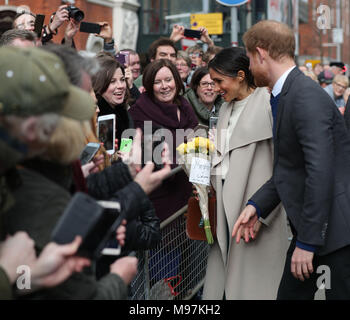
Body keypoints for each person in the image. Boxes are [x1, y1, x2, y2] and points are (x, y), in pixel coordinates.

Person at [232, 20, 350, 300]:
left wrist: (307, 243)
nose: (248, 67)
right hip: (319, 231)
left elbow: (319, 172)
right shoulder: (289, 93)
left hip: (331, 235)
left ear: (261, 54)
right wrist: (257, 205)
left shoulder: (304, 97)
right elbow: (290, 167)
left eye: (249, 58)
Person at [201, 47, 289, 300]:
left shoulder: (269, 102)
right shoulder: (226, 107)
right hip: (227, 211)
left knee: (256, 286)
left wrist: (263, 211)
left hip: (258, 213)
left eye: (219, 81)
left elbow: (283, 164)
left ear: (240, 75)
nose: (215, 88)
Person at [129, 59, 198, 222]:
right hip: (160, 199)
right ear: (148, 85)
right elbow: (152, 158)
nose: (165, 86)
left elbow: (196, 139)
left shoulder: (184, 105)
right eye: (157, 82)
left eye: (168, 80)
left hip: (188, 194)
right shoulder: (139, 113)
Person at [92, 53, 134, 148]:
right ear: (99, 84)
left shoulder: (123, 112)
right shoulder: (97, 116)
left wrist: (126, 154)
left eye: (122, 80)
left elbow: (125, 149)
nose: (120, 86)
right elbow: (107, 158)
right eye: (112, 81)